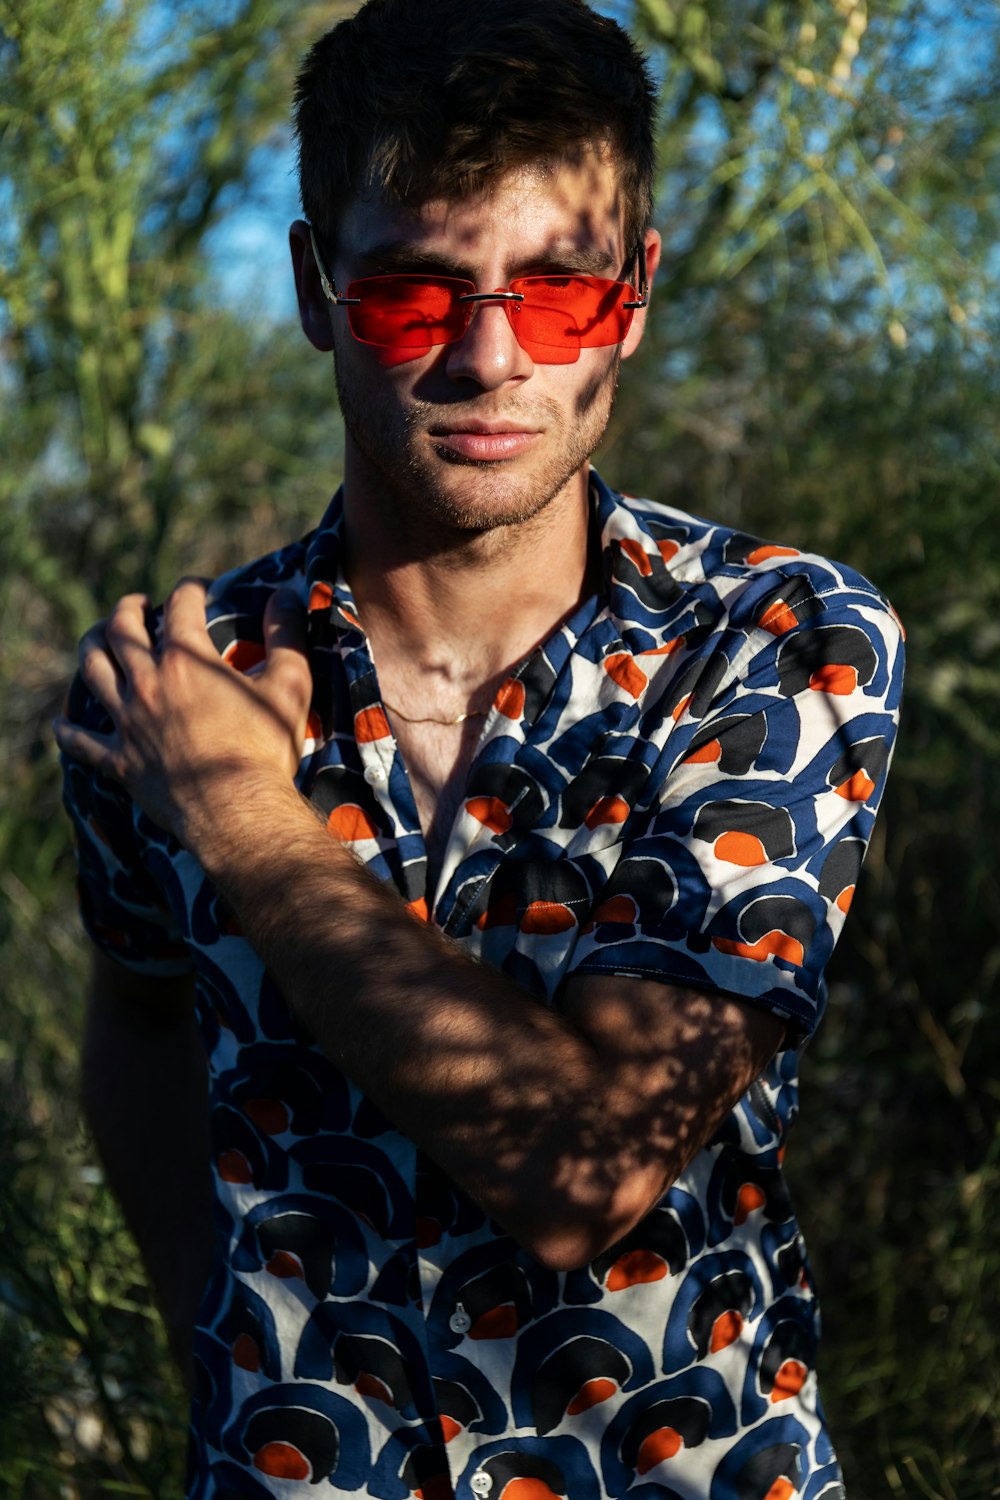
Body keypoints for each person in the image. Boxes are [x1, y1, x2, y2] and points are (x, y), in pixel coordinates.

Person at [55, 1, 904, 1496]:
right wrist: (224, 1343)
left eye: (559, 292)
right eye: (411, 293)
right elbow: (137, 1029)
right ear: (319, 290)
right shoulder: (176, 680)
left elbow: (585, 1172)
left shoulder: (777, 641)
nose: (489, 355)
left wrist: (250, 820)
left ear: (631, 297)